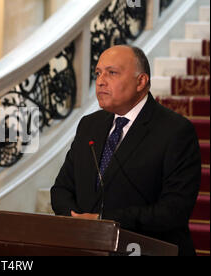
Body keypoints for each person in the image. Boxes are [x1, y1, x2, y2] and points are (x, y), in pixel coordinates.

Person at [50, 45, 201, 256]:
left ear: (141, 81)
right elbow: (61, 189)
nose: (101, 81)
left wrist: (105, 221)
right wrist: (76, 220)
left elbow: (174, 210)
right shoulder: (89, 125)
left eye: (112, 73)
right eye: (98, 73)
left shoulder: (175, 130)